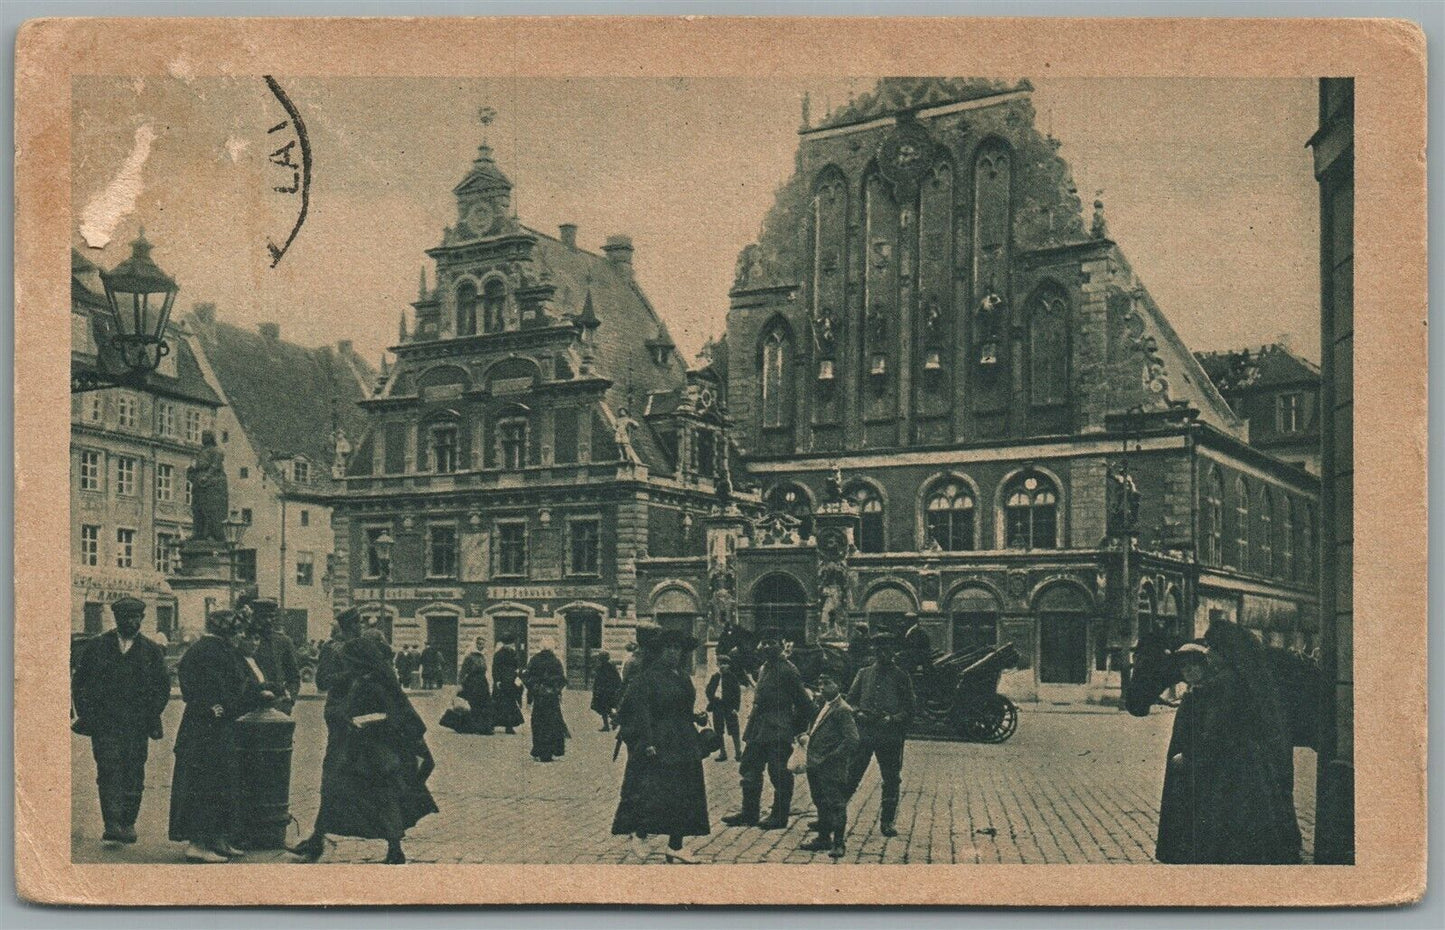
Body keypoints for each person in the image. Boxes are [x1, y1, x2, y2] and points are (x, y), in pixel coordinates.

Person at [1154, 625, 1302, 864]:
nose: (1209, 652)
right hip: (1243, 765)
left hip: (1229, 768)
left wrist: (1190, 755)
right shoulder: (1238, 680)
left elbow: (1215, 731)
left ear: (1226, 652)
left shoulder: (1224, 685)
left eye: (1213, 647)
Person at [288, 635, 438, 864]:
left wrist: (362, 721)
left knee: (377, 797)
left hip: (373, 750)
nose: (345, 664)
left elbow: (391, 715)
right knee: (340, 792)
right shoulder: (369, 678)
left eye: (348, 661)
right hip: (364, 748)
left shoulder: (371, 682)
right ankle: (319, 840)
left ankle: (394, 848)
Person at [70, 596, 171, 846]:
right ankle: (112, 824)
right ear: (116, 619)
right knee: (108, 771)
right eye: (125, 617)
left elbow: (162, 687)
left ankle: (128, 822)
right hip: (105, 724)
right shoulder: (97, 646)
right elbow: (80, 683)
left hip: (137, 725)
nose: (130, 622)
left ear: (142, 619)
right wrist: (87, 713)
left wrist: (151, 713)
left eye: (135, 617)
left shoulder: (151, 650)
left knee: (134, 772)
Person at [169, 610, 267, 863]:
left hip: (213, 726)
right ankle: (198, 844)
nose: (239, 637)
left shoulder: (216, 650)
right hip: (204, 729)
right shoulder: (208, 650)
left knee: (220, 782)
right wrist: (210, 705)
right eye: (236, 632)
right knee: (204, 783)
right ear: (227, 632)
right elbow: (199, 684)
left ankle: (216, 839)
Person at [611, 627, 710, 863]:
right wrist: (648, 742)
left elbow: (684, 707)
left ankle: (675, 845)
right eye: (669, 648)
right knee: (655, 792)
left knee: (685, 793)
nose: (674, 653)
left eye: (677, 648)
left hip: (683, 739)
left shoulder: (682, 676)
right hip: (660, 741)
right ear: (659, 651)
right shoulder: (648, 677)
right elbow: (641, 712)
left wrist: (697, 717)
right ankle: (640, 833)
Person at [722, 628, 812, 830]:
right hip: (758, 727)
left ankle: (779, 817)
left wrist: (793, 729)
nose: (766, 646)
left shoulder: (789, 670)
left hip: (778, 729)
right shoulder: (764, 668)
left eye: (772, 642)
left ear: (782, 645)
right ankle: (749, 813)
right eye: (764, 642)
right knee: (749, 768)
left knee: (778, 772)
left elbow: (805, 704)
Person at [845, 631, 915, 837]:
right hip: (865, 734)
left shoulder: (901, 676)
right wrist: (858, 713)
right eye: (878, 650)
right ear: (873, 651)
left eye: (887, 650)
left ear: (894, 652)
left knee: (891, 779)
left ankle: (887, 822)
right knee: (851, 775)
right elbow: (850, 700)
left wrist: (892, 719)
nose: (882, 654)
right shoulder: (864, 673)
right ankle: (834, 816)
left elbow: (910, 709)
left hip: (889, 736)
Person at [798, 671, 859, 858]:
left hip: (830, 766)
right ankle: (823, 838)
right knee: (820, 801)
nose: (822, 687)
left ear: (838, 685)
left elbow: (852, 740)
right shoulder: (822, 705)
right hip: (816, 764)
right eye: (820, 683)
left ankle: (838, 843)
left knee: (836, 804)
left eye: (827, 683)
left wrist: (832, 757)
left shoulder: (842, 709)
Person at [246, 599, 301, 713]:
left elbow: (294, 677)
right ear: (254, 617)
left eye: (271, 617)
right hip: (251, 705)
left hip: (278, 706)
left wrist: (289, 701)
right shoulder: (246, 641)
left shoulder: (284, 642)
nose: (268, 620)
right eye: (263, 617)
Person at [523, 640, 568, 762]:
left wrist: (535, 689)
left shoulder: (534, 660)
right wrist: (555, 690)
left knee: (538, 724)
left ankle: (539, 750)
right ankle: (551, 751)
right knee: (552, 724)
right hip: (552, 698)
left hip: (539, 697)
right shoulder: (556, 661)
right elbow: (562, 679)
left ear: (541, 647)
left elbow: (527, 677)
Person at [704, 655, 744, 761]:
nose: (722, 666)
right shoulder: (715, 677)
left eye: (725, 664)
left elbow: (737, 694)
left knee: (734, 729)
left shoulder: (732, 677)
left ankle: (738, 752)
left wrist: (736, 707)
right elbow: (708, 690)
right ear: (717, 665)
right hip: (718, 706)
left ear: (729, 666)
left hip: (729, 707)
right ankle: (722, 753)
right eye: (720, 664)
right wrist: (713, 698)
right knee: (718, 729)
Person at [453, 637, 494, 735]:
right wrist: (460, 684)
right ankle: (475, 727)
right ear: (475, 644)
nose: (481, 646)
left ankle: (485, 727)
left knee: (485, 705)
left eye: (483, 644)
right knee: (475, 705)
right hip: (472, 683)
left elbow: (485, 670)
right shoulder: (469, 657)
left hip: (482, 683)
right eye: (479, 644)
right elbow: (463, 671)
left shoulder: (483, 656)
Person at [491, 636, 525, 733]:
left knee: (507, 704)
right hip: (504, 681)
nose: (511, 645)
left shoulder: (511, 653)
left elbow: (517, 666)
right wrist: (497, 680)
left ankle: (507, 726)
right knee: (500, 704)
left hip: (508, 681)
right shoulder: (500, 654)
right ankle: (495, 725)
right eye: (510, 644)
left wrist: (518, 675)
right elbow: (495, 668)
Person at [591, 651, 623, 732]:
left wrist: (595, 691)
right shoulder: (611, 666)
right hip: (609, 691)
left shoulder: (600, 667)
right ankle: (614, 720)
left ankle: (608, 724)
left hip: (602, 692)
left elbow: (597, 681)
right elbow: (618, 679)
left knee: (603, 709)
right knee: (606, 709)